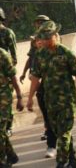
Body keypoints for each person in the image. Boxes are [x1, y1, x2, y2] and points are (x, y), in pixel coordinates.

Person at [27, 21, 76, 168]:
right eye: (41, 38)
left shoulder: (66, 53)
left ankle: (61, 162)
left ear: (54, 37)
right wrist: (30, 98)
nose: (43, 41)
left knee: (64, 133)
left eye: (46, 38)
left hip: (67, 101)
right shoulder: (40, 55)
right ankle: (73, 160)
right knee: (60, 132)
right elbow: (36, 78)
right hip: (50, 100)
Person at [20, 15, 58, 158]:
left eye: (43, 22)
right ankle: (51, 144)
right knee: (47, 116)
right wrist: (24, 73)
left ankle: (65, 148)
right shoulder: (35, 42)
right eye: (38, 23)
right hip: (42, 83)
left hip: (59, 87)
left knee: (60, 118)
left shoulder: (57, 44)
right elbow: (31, 58)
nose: (40, 25)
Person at [0, 48, 24, 168]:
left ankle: (2, 162)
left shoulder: (2, 54)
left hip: (3, 97)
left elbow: (13, 76)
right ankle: (11, 155)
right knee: (1, 132)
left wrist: (19, 97)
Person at [0, 7, 17, 138]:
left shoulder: (7, 33)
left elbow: (14, 55)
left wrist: (9, 71)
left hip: (5, 72)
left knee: (6, 101)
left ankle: (8, 126)